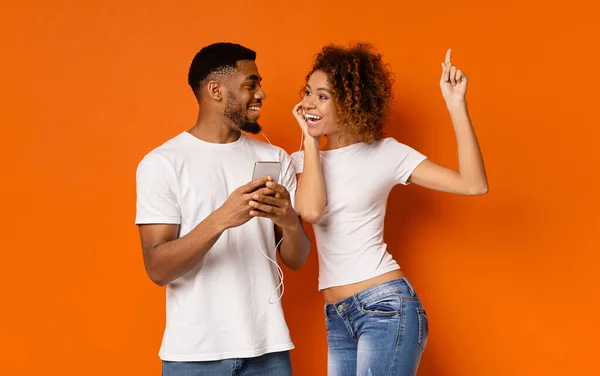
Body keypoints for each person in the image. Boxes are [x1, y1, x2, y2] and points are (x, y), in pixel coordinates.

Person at [290, 43, 488, 376]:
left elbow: (473, 184)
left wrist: (456, 106)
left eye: (322, 96)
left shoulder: (386, 153)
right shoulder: (301, 163)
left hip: (385, 306)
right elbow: (310, 210)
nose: (309, 103)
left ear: (351, 102)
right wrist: (310, 141)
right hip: (337, 316)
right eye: (308, 92)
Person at [135, 42, 311, 376]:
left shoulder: (274, 159)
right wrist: (221, 219)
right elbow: (157, 268)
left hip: (268, 351)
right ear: (216, 90)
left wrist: (288, 220)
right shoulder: (162, 164)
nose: (261, 94)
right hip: (193, 355)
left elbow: (297, 258)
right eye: (250, 84)